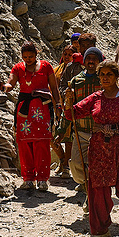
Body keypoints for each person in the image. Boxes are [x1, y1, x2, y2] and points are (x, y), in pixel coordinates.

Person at [64, 60, 119, 237]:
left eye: (109, 75)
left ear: (116, 76)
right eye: (102, 75)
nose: (105, 78)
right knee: (99, 189)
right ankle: (100, 229)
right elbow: (72, 114)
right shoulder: (96, 97)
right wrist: (68, 101)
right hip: (98, 149)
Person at [0, 41, 61, 191]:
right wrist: (3, 87)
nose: (28, 59)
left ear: (36, 54)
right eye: (25, 57)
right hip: (24, 111)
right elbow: (10, 84)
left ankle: (43, 179)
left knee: (42, 143)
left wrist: (58, 105)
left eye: (31, 56)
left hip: (43, 109)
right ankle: (28, 179)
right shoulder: (18, 68)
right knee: (24, 143)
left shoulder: (46, 66)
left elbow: (54, 87)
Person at [55, 47, 103, 197]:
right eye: (88, 58)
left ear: (100, 61)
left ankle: (92, 194)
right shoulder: (76, 81)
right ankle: (85, 183)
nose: (91, 61)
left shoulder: (105, 79)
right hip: (80, 130)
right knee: (76, 165)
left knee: (96, 165)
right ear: (84, 61)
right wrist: (61, 131)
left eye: (94, 58)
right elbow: (68, 108)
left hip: (100, 131)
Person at [52, 45, 75, 178]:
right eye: (65, 54)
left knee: (68, 137)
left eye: (70, 54)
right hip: (58, 107)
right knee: (54, 136)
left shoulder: (76, 70)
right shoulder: (57, 70)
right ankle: (61, 159)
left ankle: (66, 165)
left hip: (70, 108)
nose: (67, 56)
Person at [60, 33, 101, 98]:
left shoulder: (101, 65)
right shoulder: (71, 66)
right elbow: (63, 85)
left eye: (88, 45)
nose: (86, 48)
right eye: (83, 46)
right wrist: (67, 93)